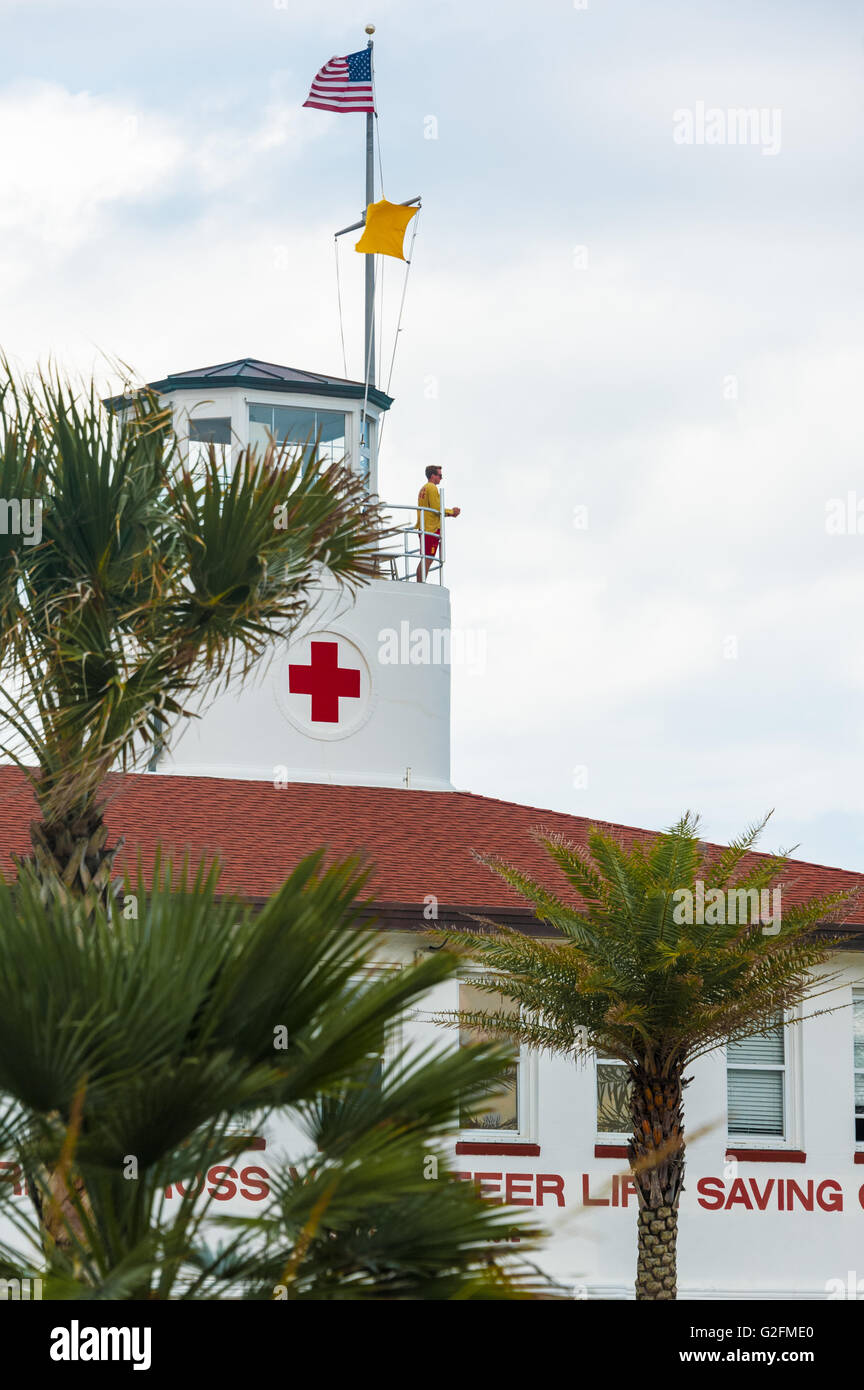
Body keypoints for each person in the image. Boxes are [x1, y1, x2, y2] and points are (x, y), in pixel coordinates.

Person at [415, 465, 460, 581]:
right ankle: (420, 584)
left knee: (425, 558)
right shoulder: (432, 488)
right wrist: (452, 512)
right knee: (427, 559)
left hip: (424, 527)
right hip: (430, 528)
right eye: (440, 475)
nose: (441, 478)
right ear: (432, 476)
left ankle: (420, 582)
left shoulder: (423, 488)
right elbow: (437, 508)